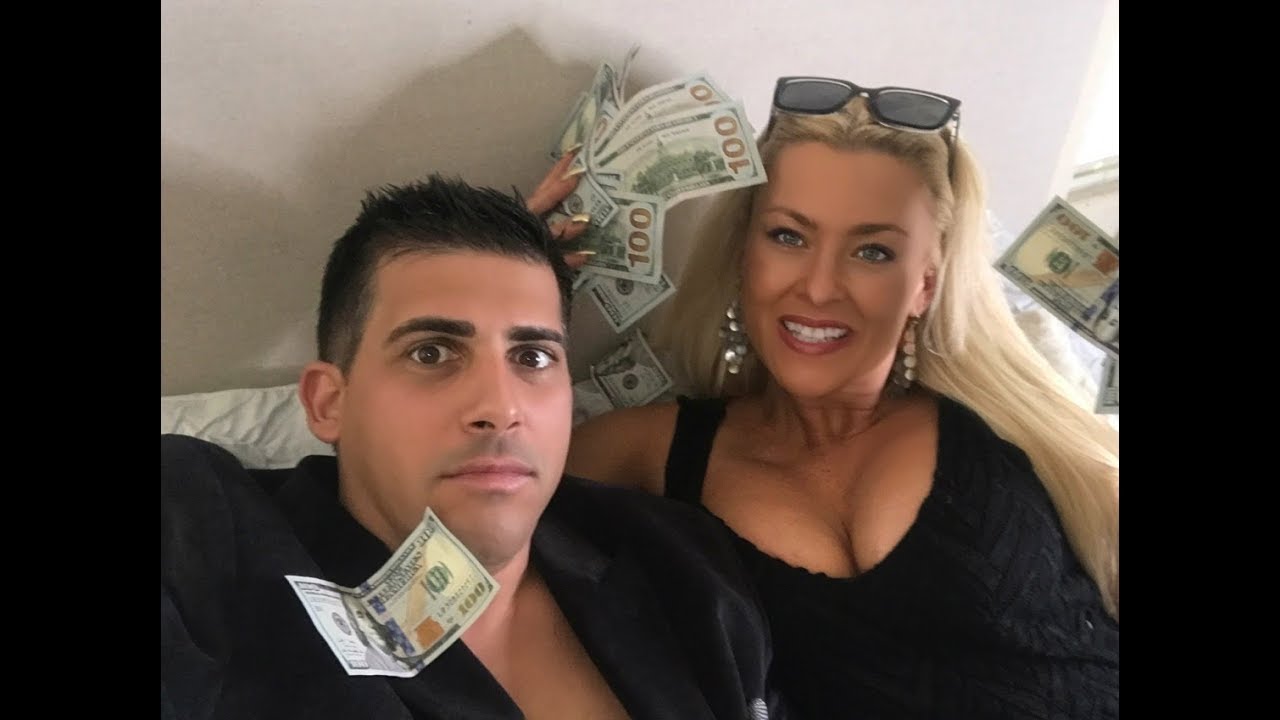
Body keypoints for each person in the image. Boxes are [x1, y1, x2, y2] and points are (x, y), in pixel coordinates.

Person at [568, 77, 1120, 718]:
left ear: (924, 285)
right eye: (788, 237)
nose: (820, 287)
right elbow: (488, 527)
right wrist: (514, 271)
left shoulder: (1010, 432)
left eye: (873, 251)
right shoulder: (652, 449)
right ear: (744, 253)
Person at [160, 169, 787, 720]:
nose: (500, 408)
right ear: (330, 403)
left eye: (532, 355)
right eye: (431, 353)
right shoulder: (204, 538)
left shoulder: (681, 566)